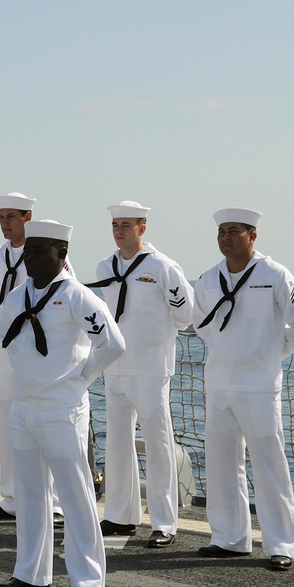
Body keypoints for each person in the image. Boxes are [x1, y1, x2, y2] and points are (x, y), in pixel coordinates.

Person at [0, 219, 124, 587]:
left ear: (62, 255)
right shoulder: (16, 298)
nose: (28, 257)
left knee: (76, 494)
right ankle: (31, 572)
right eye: (27, 251)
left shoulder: (77, 296)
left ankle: (88, 580)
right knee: (31, 494)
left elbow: (113, 343)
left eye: (38, 251)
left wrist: (79, 377)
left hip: (62, 409)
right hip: (25, 407)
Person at [193, 208, 294, 571]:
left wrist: (269, 353)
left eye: (234, 231)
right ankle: (229, 538)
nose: (226, 237)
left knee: (268, 464)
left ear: (253, 235)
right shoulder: (208, 278)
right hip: (219, 383)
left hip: (259, 385)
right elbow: (202, 324)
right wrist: (226, 352)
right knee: (221, 463)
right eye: (221, 231)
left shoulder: (274, 274)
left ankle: (281, 543)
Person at [92, 201, 194, 548]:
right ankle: (120, 516)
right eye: (115, 224)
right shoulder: (105, 265)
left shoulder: (162, 266)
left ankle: (164, 523)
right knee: (118, 443)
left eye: (126, 224)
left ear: (142, 228)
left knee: (158, 444)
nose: (119, 230)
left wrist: (158, 340)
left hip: (151, 369)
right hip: (116, 367)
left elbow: (185, 315)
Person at [0, 192, 65, 527]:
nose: (5, 223)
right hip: (7, 346)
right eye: (1, 216)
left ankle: (53, 502)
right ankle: (12, 498)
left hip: (37, 346)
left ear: (28, 217)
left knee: (43, 421)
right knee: (7, 420)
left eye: (11, 216)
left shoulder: (47, 253)